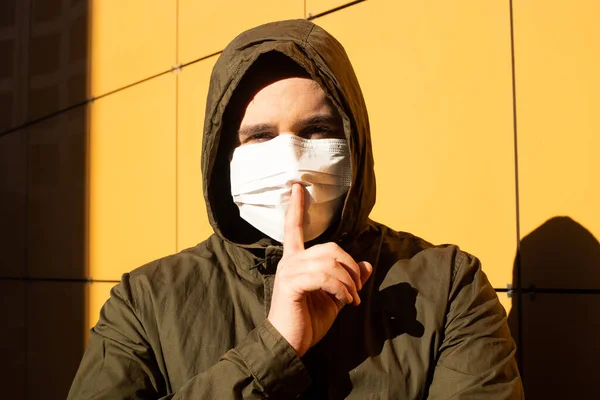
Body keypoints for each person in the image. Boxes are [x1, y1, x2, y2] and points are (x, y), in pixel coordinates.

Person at [68, 19, 523, 399]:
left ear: (354, 140)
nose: (291, 161)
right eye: (261, 136)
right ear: (223, 156)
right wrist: (275, 347)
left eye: (317, 129)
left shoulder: (447, 288)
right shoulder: (144, 303)